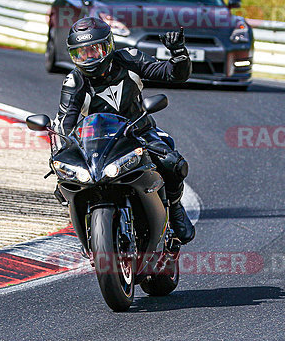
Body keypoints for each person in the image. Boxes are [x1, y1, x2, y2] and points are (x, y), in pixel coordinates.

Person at [52, 17, 195, 244]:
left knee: (172, 163)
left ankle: (176, 209)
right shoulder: (74, 81)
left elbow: (172, 74)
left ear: (108, 46)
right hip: (98, 142)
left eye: (94, 51)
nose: (88, 58)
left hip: (139, 132)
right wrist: (59, 156)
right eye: (81, 54)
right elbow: (63, 123)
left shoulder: (130, 58)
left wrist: (179, 54)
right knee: (67, 182)